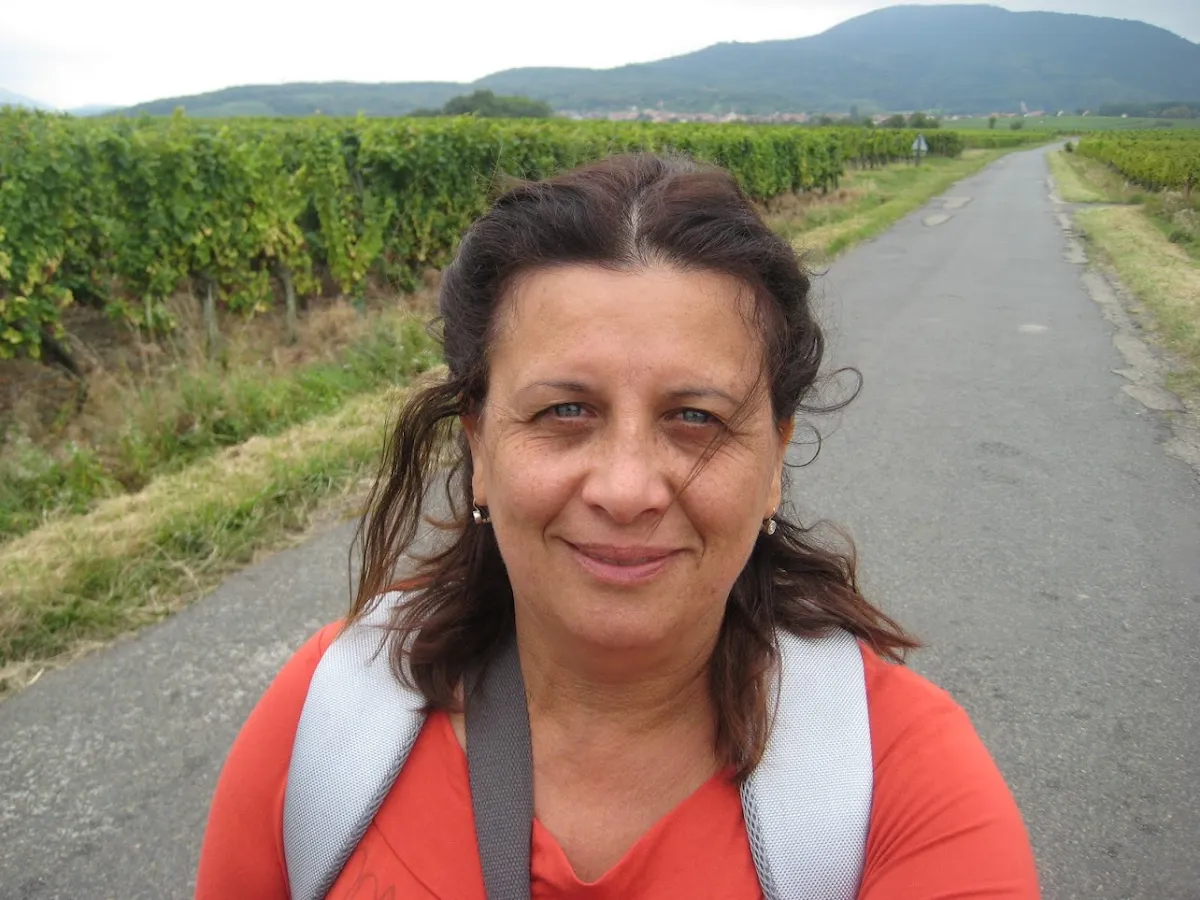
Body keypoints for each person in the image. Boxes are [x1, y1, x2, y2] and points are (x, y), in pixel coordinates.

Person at [195, 153, 1041, 899]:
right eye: (565, 410)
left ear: (774, 463)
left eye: (696, 418)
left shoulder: (902, 782)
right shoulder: (331, 717)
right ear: (479, 448)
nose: (627, 489)